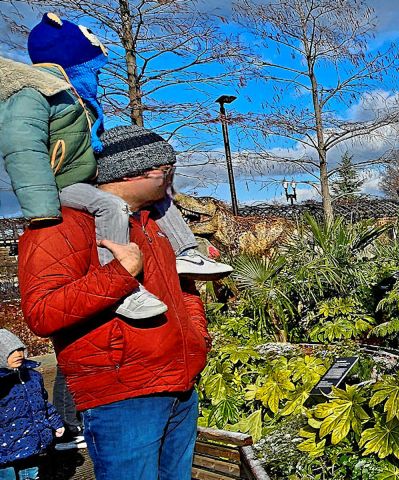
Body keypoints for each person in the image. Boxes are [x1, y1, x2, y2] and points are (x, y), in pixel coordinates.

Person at [0, 12, 231, 321]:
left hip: (173, 364)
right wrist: (42, 208)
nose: (96, 76)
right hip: (59, 187)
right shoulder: (36, 96)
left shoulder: (77, 100)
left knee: (159, 199)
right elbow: (23, 147)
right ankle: (125, 288)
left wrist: (195, 329)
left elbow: (88, 146)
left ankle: (186, 252)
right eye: (90, 68)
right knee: (111, 206)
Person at [18, 125, 211, 480]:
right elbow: (42, 312)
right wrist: (121, 273)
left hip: (181, 387)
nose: (171, 179)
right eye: (166, 170)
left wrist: (198, 336)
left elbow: (182, 288)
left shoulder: (154, 224)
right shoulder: (59, 225)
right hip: (122, 397)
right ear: (132, 172)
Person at [0, 329, 65, 480]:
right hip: (4, 448)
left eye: (20, 349)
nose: (18, 354)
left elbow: (42, 403)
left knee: (31, 475)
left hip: (30, 443)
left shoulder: (33, 377)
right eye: (10, 351)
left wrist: (55, 422)